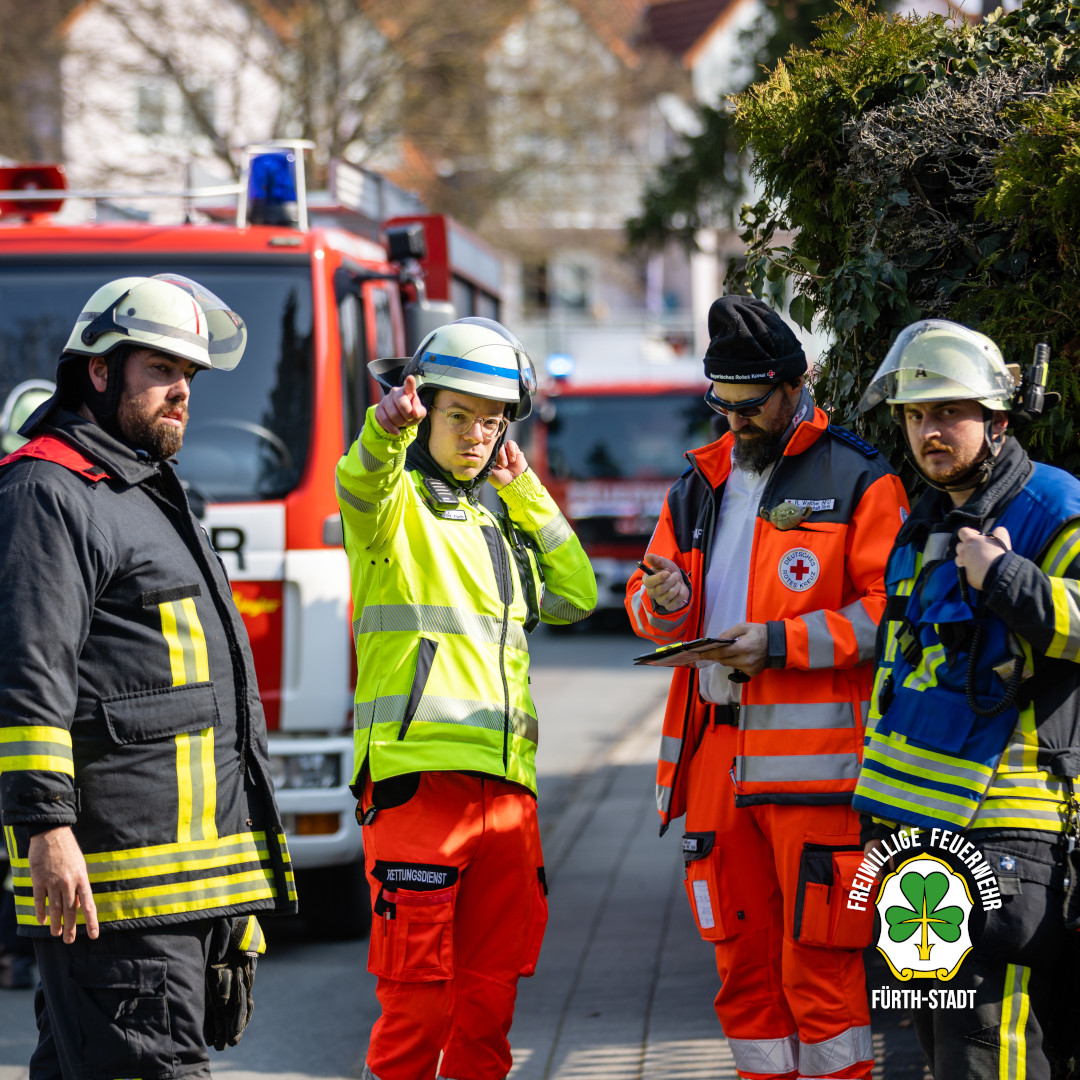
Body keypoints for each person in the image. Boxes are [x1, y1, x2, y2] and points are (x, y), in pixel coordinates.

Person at [0, 275, 296, 1080]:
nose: (181, 393)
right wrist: (45, 830)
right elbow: (30, 676)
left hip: (175, 883)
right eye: (163, 370)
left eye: (191, 378)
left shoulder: (135, 489)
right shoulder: (48, 490)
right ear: (99, 371)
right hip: (118, 889)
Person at [626, 295, 908, 1080]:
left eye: (752, 406)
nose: (737, 422)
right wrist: (664, 602)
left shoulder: (859, 478)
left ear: (797, 386)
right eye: (724, 406)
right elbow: (647, 603)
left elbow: (896, 615)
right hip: (716, 756)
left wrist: (780, 644)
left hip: (818, 768)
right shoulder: (696, 485)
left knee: (820, 976)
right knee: (743, 978)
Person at [337, 317, 596, 1080]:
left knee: (488, 1011)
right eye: (460, 415)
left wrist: (526, 490)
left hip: (508, 796)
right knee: (416, 1007)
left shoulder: (498, 518)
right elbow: (360, 482)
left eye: (492, 420)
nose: (478, 433)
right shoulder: (396, 509)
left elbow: (577, 596)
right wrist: (384, 431)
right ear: (426, 412)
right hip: (420, 786)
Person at [852, 319, 1080, 1079]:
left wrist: (1010, 582)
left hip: (1003, 837)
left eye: (949, 412)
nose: (930, 432)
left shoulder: (1053, 506)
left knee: (988, 1051)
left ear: (999, 419)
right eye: (916, 416)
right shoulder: (922, 525)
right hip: (910, 838)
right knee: (928, 1049)